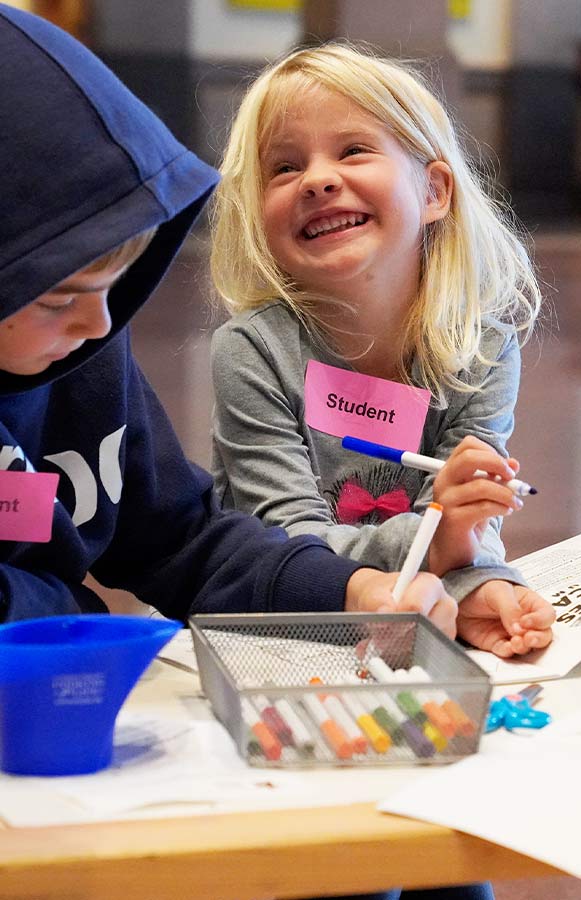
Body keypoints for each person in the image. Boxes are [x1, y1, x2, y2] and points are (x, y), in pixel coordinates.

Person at [0, 3, 462, 647]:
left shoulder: (84, 340)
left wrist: (349, 590)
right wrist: (54, 603)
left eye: (112, 284)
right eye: (58, 298)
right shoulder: (254, 348)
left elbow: (179, 539)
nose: (100, 321)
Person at [209, 43, 556, 661]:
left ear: (435, 191)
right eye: (284, 168)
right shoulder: (251, 351)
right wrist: (440, 536)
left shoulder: (483, 350)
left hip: (398, 620)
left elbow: (469, 518)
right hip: (278, 628)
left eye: (352, 151)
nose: (317, 178)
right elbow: (289, 544)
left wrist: (479, 585)